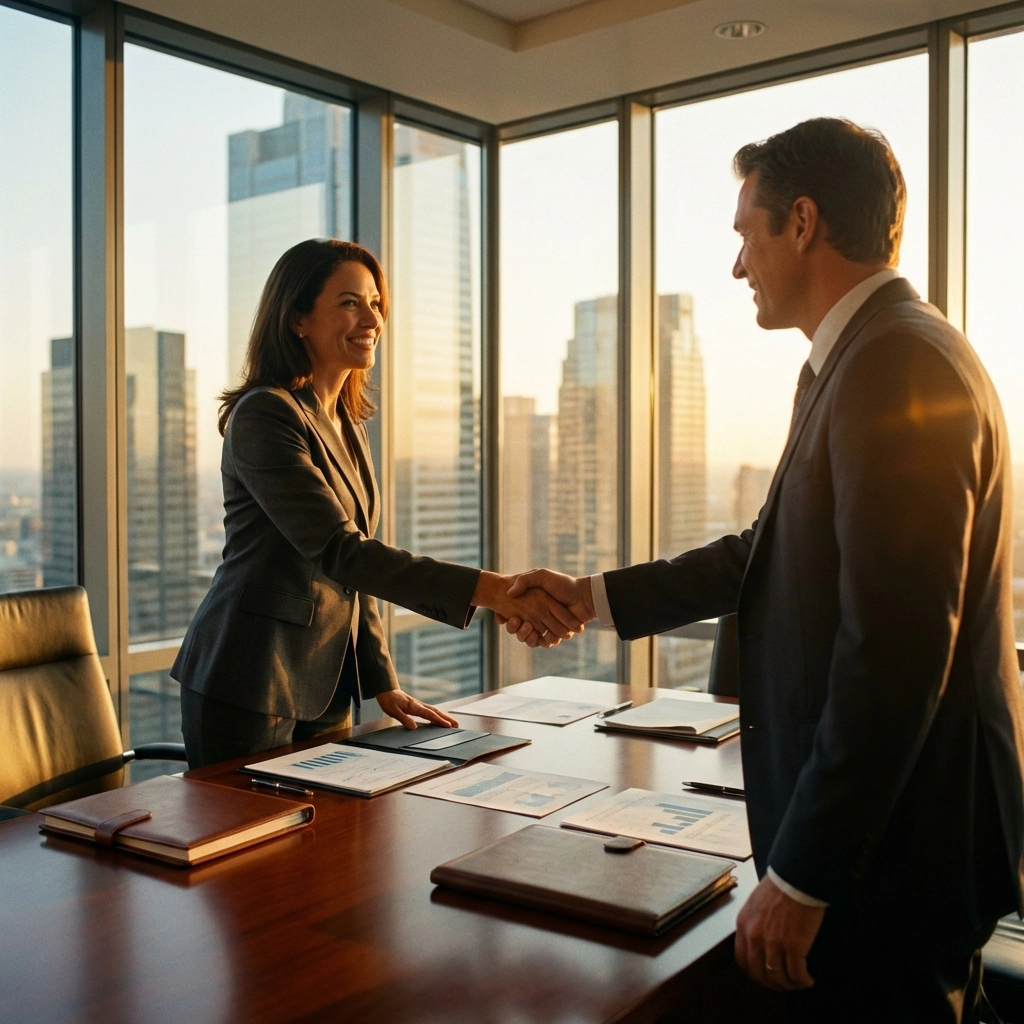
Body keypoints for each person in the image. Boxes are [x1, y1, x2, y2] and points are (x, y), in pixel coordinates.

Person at [502, 118, 1024, 1022]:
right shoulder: (859, 360)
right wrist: (591, 598)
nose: (738, 266)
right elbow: (765, 551)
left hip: (896, 852)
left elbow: (894, 655)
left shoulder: (896, 363)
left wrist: (805, 875)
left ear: (804, 223)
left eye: (746, 234)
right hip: (892, 837)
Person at [172, 239, 580, 769]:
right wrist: (496, 590)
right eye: (349, 302)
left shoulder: (347, 422)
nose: (372, 318)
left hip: (325, 684)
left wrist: (382, 680)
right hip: (249, 678)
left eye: (375, 303)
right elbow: (342, 552)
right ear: (297, 318)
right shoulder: (264, 415)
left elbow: (355, 574)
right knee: (247, 845)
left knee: (323, 840)